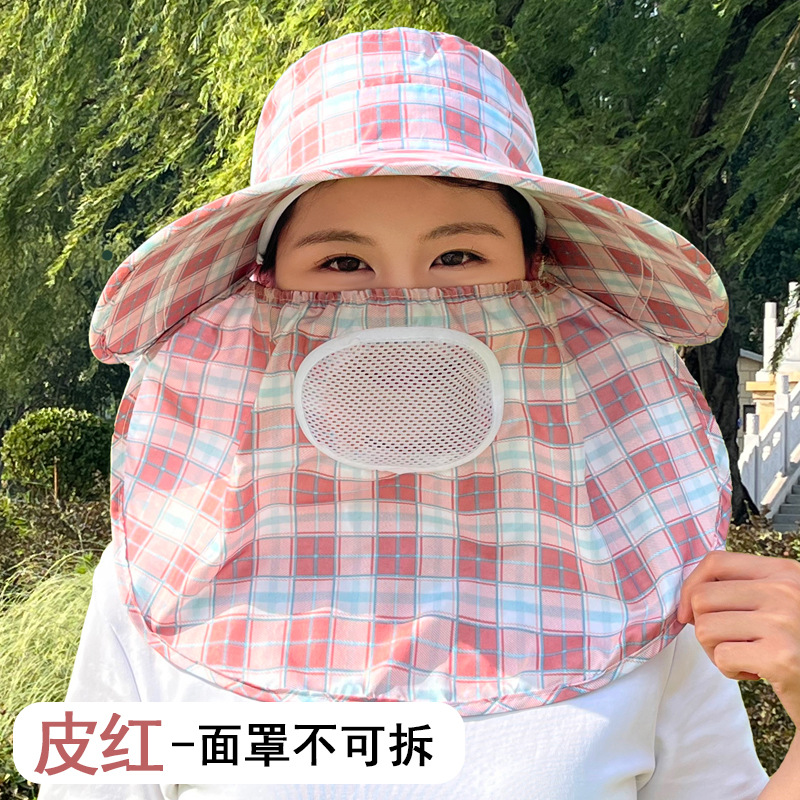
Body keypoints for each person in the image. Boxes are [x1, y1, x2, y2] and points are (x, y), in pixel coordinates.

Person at [40, 26, 800, 799]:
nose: (403, 306)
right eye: (341, 262)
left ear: (537, 279)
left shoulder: (634, 565)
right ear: (267, 291)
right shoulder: (174, 572)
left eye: (458, 257)